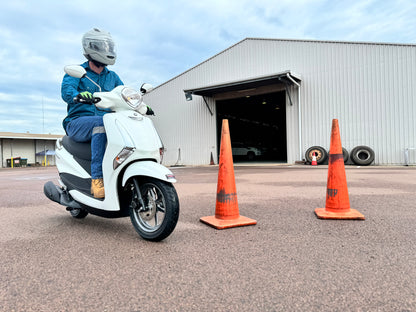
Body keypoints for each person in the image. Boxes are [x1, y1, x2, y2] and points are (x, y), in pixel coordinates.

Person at [61, 28, 123, 199]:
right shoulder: (77, 72)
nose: (107, 51)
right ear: (91, 48)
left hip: (106, 120)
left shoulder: (113, 77)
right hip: (78, 122)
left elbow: (123, 93)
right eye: (103, 47)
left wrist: (138, 103)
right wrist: (77, 95)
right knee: (101, 124)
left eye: (109, 47)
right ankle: (97, 179)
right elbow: (67, 91)